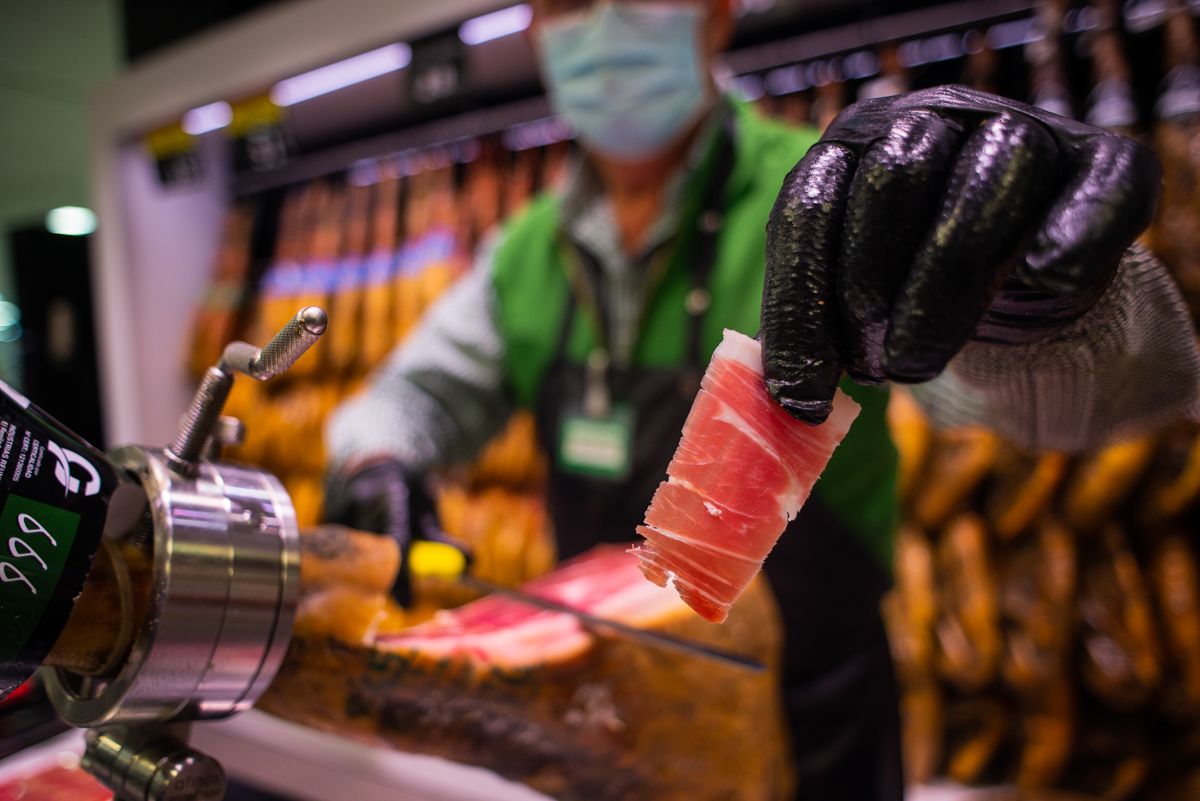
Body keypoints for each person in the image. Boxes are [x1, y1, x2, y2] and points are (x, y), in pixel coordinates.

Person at [323, 0, 1200, 798]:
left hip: (812, 728)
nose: (603, 25)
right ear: (533, 29)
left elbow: (1066, 413)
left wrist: (1045, 312)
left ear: (717, 15)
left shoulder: (840, 191)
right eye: (569, 3)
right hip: (600, 723)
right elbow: (413, 394)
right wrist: (375, 458)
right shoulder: (524, 251)